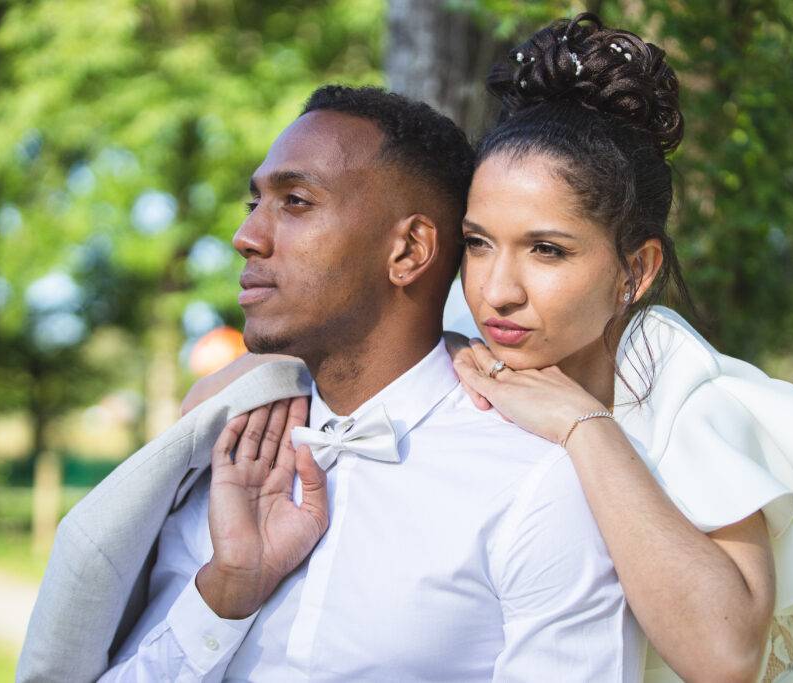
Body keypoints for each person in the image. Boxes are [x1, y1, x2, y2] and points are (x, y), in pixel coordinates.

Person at [184, 13, 793, 683]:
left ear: (636, 270)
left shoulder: (681, 389)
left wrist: (584, 427)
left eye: (548, 250)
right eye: (480, 244)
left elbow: (724, 659)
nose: (500, 289)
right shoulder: (472, 324)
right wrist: (272, 375)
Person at [75, 85, 640, 680]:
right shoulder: (232, 451)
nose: (247, 237)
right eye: (254, 204)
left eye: (295, 201)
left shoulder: (534, 485)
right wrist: (224, 594)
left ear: (409, 250)